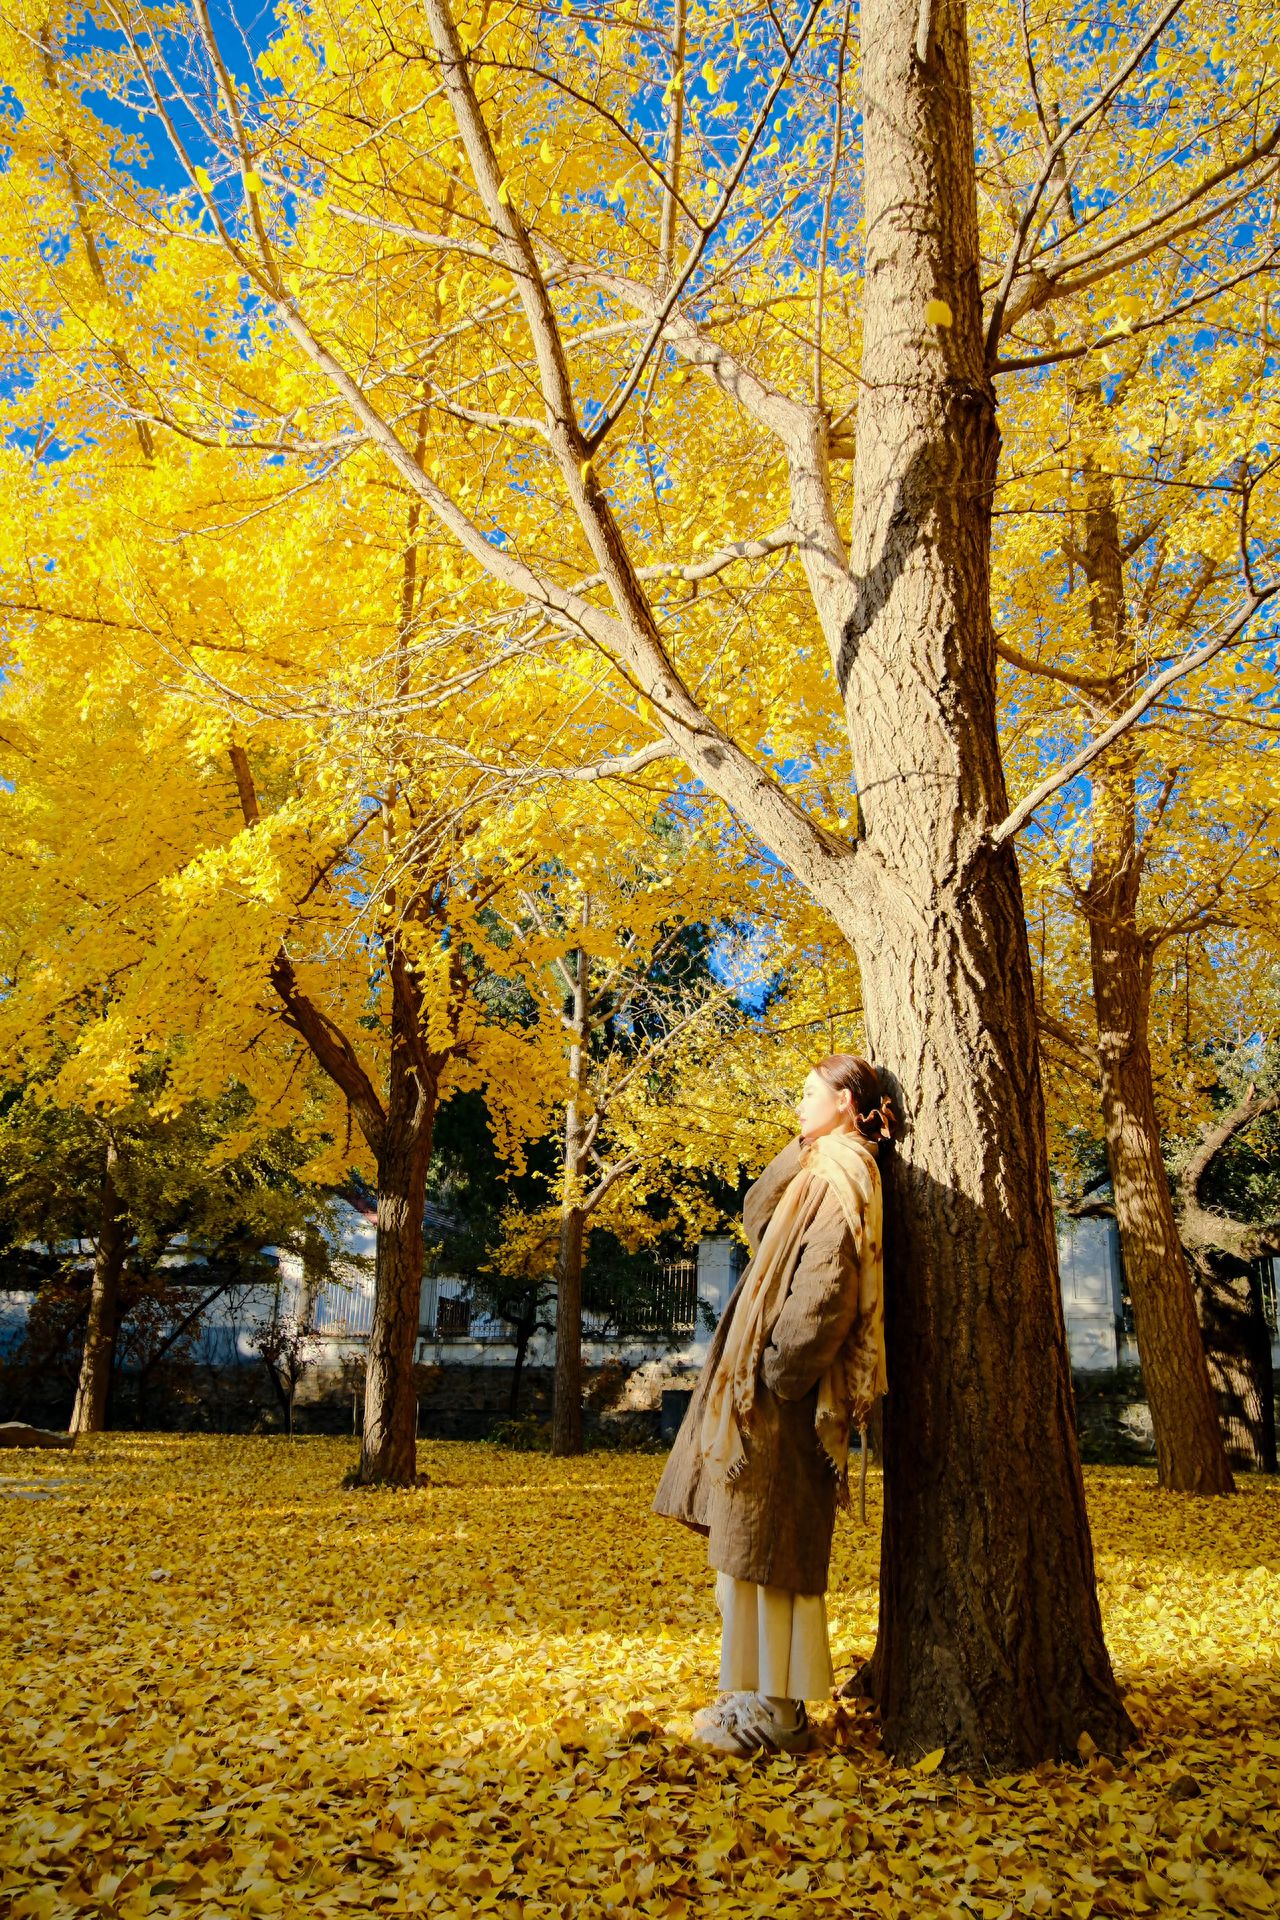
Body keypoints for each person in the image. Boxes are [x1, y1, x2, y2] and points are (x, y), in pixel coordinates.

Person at [652, 1053, 892, 1756]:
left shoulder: (847, 1176)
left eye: (810, 1095)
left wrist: (777, 1373)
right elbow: (757, 1214)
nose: (798, 1105)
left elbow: (827, 1288)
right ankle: (754, 1698)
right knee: (746, 1558)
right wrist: (800, 1147)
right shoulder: (818, 1169)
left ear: (847, 1102)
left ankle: (778, 1714)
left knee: (772, 1560)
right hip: (760, 1395)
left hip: (786, 1400)